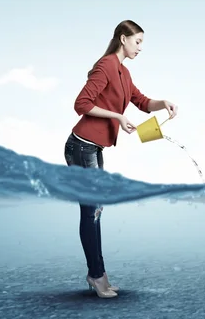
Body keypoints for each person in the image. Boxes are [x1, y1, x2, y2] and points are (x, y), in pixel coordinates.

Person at [64, 20, 178, 298]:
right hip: (81, 147)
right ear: (123, 38)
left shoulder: (123, 73)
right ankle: (96, 276)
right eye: (138, 41)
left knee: (96, 211)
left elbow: (140, 101)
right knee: (91, 213)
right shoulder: (105, 66)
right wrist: (116, 116)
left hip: (94, 148)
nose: (140, 48)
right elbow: (81, 104)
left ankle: (99, 274)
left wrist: (163, 102)